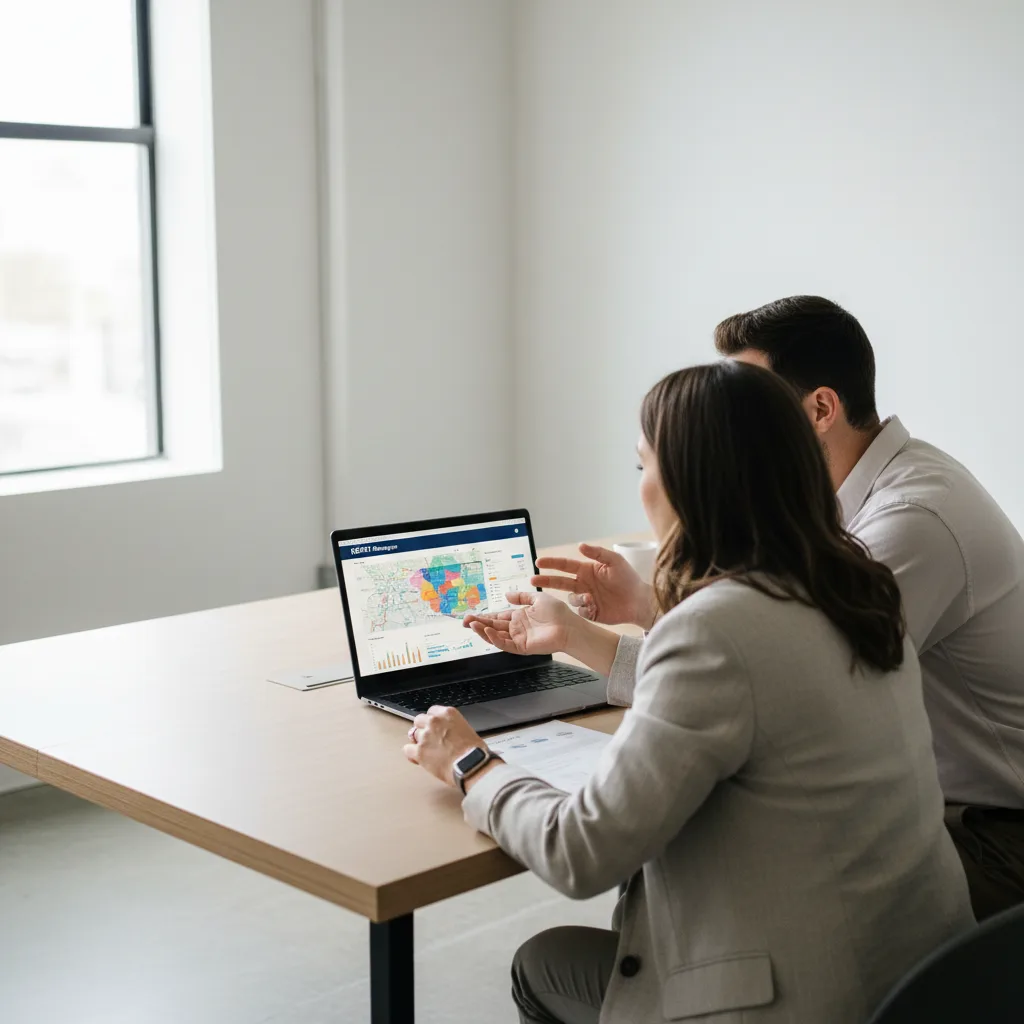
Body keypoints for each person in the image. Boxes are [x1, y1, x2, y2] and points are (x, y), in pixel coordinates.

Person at [404, 362, 974, 1024]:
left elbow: (580, 852)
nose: (640, 485)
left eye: (642, 464)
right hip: (925, 979)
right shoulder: (854, 588)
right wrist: (580, 636)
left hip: (808, 1002)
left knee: (543, 962)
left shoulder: (716, 629)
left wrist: (471, 764)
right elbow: (751, 678)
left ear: (688, 483)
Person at [540, 296, 1024, 920]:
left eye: (753, 400)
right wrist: (643, 605)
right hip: (937, 809)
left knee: (682, 851)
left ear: (821, 409)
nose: (733, 421)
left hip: (992, 838)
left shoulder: (909, 522)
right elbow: (770, 652)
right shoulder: (853, 498)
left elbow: (781, 688)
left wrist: (595, 640)